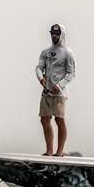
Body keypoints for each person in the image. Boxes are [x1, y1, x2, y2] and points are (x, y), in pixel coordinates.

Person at [36, 23, 76, 156]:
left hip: (59, 92)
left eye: (57, 34)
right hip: (46, 91)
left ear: (62, 35)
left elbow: (71, 74)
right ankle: (49, 150)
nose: (54, 36)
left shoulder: (68, 53)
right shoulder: (45, 52)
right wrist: (41, 78)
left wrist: (60, 85)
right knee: (44, 119)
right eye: (52, 33)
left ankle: (59, 152)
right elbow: (39, 67)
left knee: (59, 119)